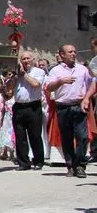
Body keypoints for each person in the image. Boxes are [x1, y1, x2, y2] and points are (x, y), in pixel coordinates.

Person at [45, 45, 94, 178]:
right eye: (70, 52)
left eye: (74, 52)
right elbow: (49, 87)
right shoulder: (56, 70)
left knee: (82, 137)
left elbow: (92, 84)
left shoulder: (82, 69)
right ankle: (70, 165)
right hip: (63, 107)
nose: (73, 54)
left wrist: (86, 98)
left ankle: (80, 165)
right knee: (66, 138)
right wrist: (60, 81)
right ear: (62, 54)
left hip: (78, 106)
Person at [5, 51, 46, 170]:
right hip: (19, 107)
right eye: (23, 59)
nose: (26, 61)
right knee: (20, 136)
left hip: (33, 107)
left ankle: (38, 161)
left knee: (35, 135)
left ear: (33, 60)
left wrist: (25, 75)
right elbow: (9, 89)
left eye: (28, 58)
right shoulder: (17, 74)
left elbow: (36, 84)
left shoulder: (39, 72)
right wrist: (14, 78)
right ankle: (23, 162)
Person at [0, 86, 16, 161]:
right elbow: (3, 110)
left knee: (11, 136)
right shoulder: (5, 99)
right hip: (6, 119)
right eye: (7, 91)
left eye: (9, 90)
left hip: (12, 119)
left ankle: (12, 154)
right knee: (4, 135)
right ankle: (4, 152)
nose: (8, 92)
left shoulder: (15, 99)